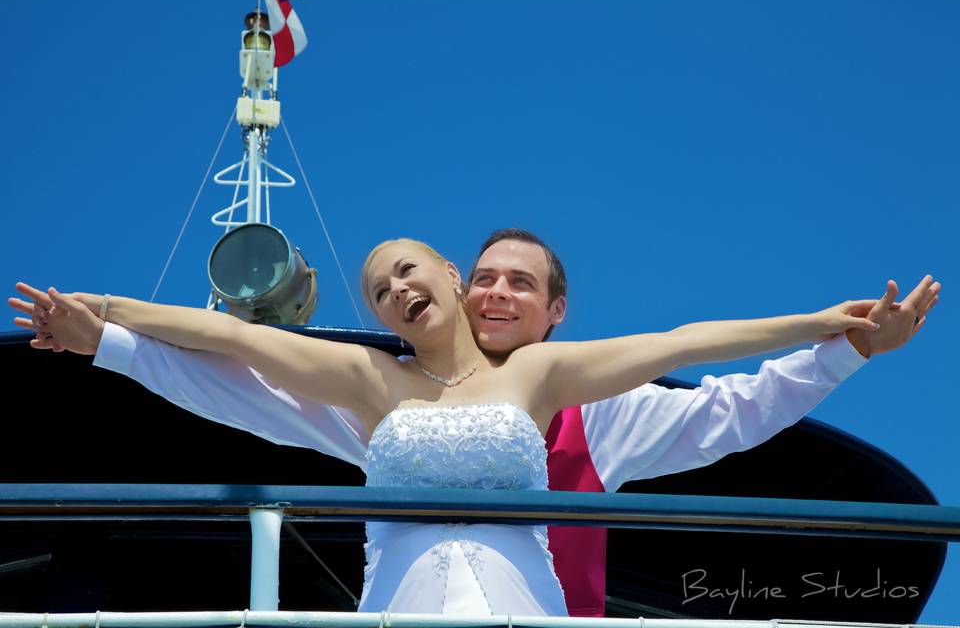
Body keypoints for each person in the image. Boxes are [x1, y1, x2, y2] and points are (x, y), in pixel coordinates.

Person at [11, 232, 939, 616]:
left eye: (518, 283)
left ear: (553, 312)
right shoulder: (367, 388)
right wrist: (105, 329)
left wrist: (840, 335)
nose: (496, 293)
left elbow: (706, 373)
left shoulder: (573, 396)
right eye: (380, 289)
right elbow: (231, 366)